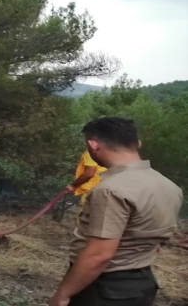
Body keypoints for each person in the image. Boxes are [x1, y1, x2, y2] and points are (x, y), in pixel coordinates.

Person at [49, 117, 183, 306]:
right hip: (143, 284)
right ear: (138, 143)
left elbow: (99, 255)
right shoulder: (169, 186)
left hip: (104, 289)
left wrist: (63, 293)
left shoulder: (110, 190)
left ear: (93, 145)